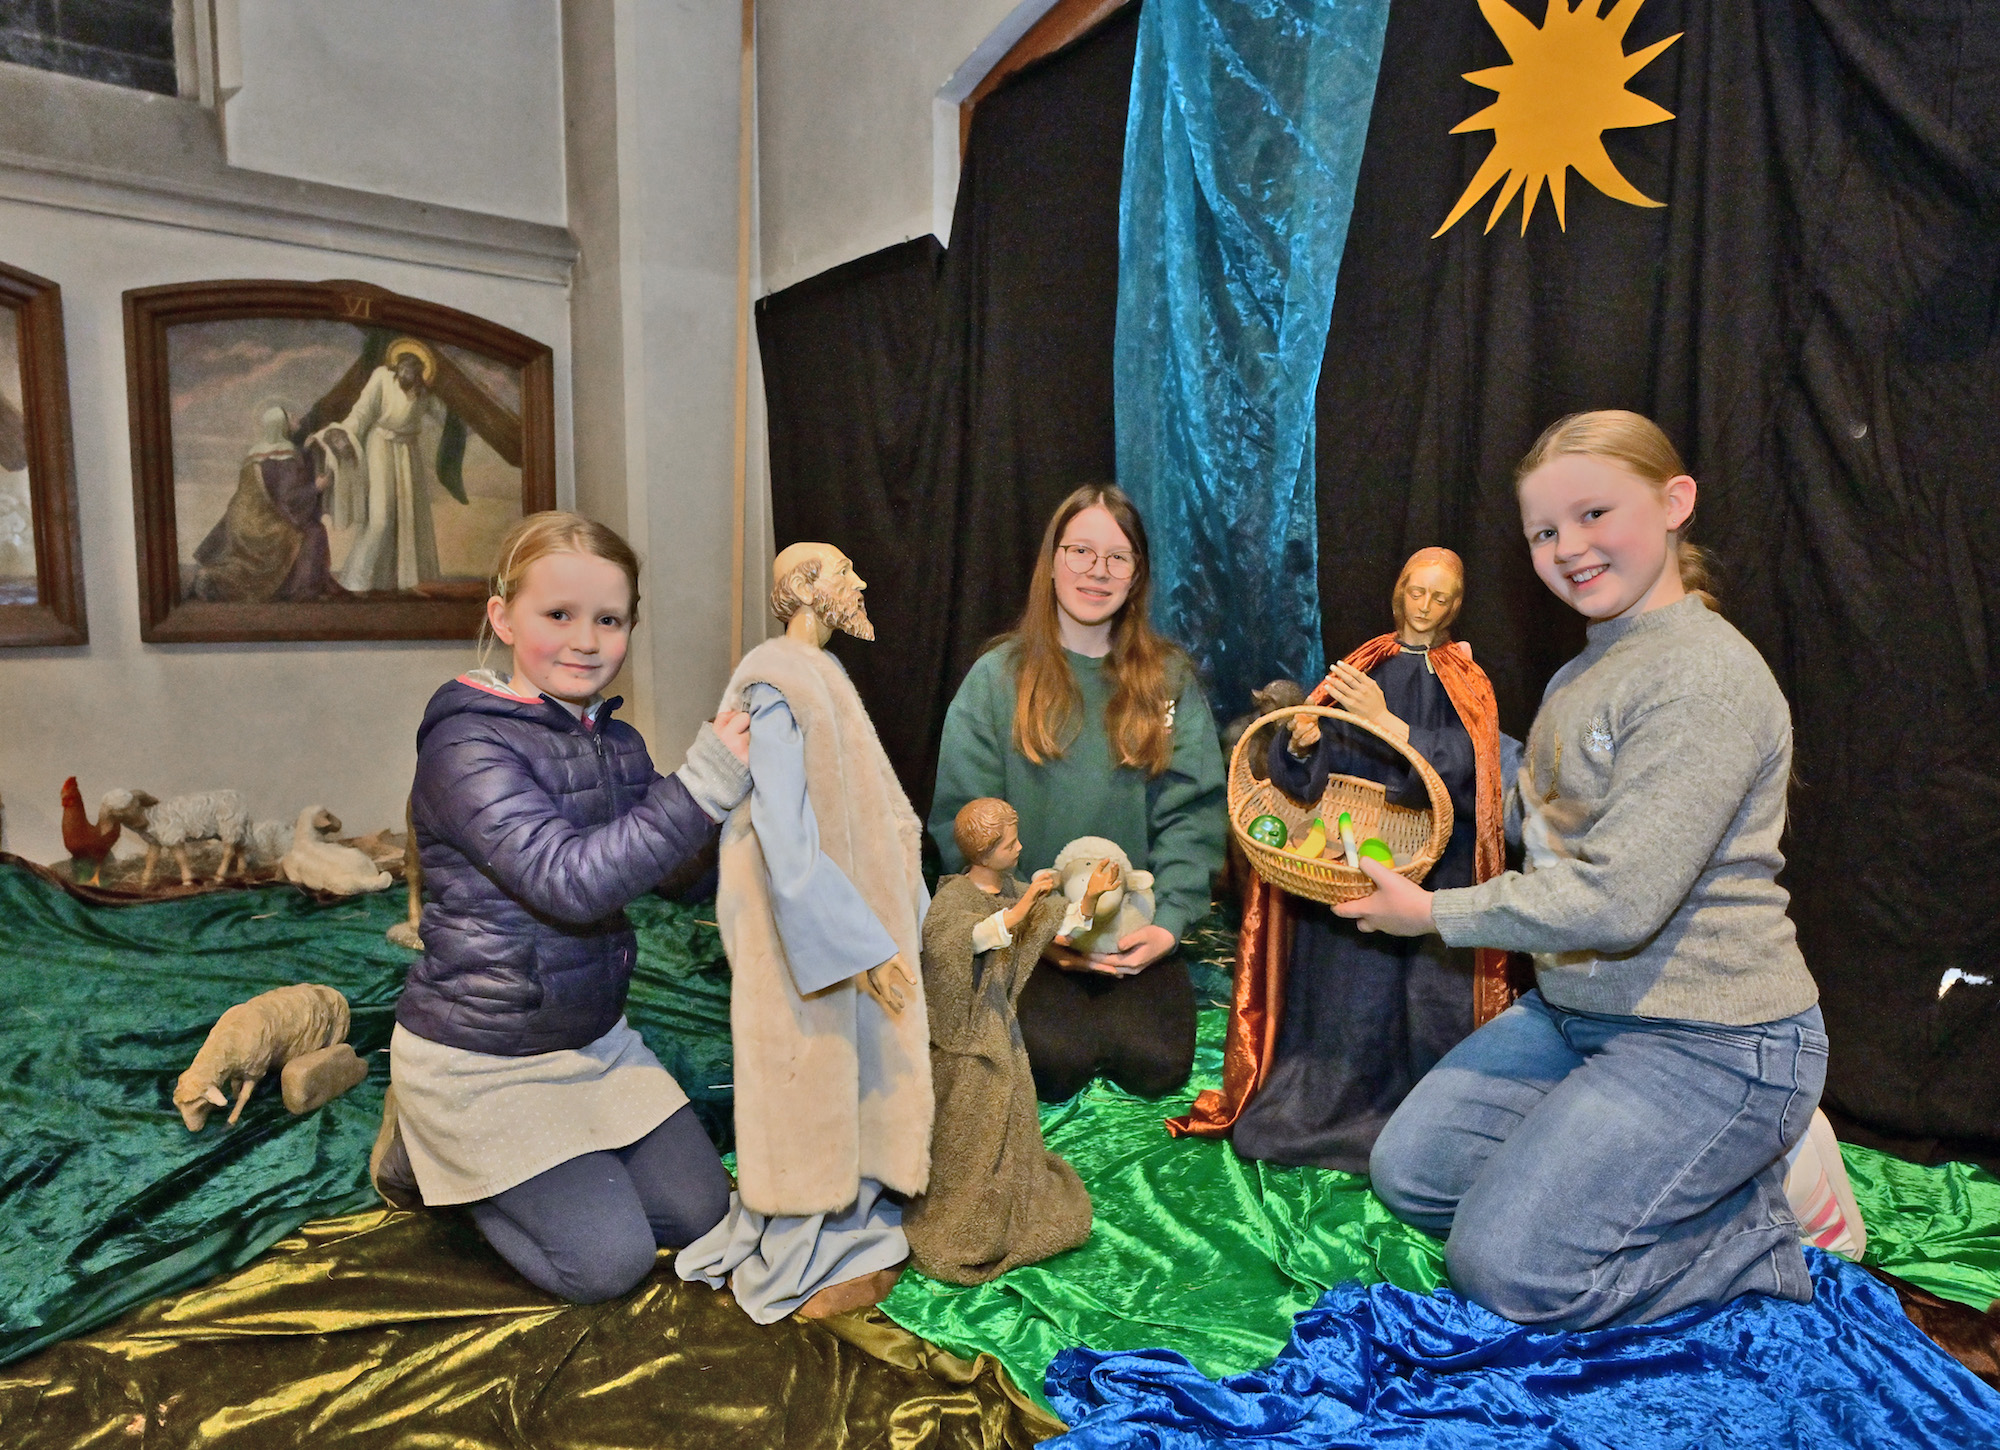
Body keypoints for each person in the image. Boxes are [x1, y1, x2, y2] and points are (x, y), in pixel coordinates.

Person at [1343, 410, 1858, 1329]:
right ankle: (1665, 1174)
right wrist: (1403, 736)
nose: (1567, 547)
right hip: (1581, 1017)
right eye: (1544, 531)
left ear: (1674, 503)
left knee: (1507, 1269)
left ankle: (1762, 1231)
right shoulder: (1586, 668)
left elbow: (1618, 897)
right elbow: (1538, 805)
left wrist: (1435, 914)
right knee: (1413, 1174)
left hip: (1714, 1042)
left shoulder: (1701, 676)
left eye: (1593, 514)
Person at [370, 510, 747, 1304]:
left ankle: (545, 1171)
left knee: (702, 1212)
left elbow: (674, 875)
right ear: (502, 617)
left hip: (589, 1039)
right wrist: (703, 785)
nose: (586, 640)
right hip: (482, 1057)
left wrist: (745, 817)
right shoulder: (465, 748)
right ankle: (434, 1156)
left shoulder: (619, 744)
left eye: (609, 620)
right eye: (558, 615)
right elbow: (569, 882)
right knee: (605, 1264)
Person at [1174, 549, 1519, 1170]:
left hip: (1429, 876)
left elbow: (1478, 772)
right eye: (1416, 591)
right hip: (1346, 860)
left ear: (1456, 607)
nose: (1425, 606)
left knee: (1419, 1012)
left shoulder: (1467, 684)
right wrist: (1302, 744)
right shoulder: (1364, 666)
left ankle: (1418, 1124)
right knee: (1342, 1006)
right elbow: (1309, 771)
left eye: (1440, 597)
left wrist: (1393, 727)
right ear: (1397, 593)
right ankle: (1324, 1106)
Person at [675, 541, 934, 1322]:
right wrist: (860, 947)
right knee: (808, 1073)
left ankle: (845, 1222)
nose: (860, 580)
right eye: (844, 570)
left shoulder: (816, 675)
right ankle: (805, 1241)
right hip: (806, 929)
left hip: (845, 915)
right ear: (806, 589)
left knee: (852, 1071)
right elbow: (785, 838)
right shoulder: (777, 680)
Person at [929, 485, 1226, 1103]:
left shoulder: (1167, 679)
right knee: (1053, 1065)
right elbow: (963, 824)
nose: (1098, 571)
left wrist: (1168, 926)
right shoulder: (995, 679)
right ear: (1053, 561)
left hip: (1130, 929)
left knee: (1158, 1065)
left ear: (1137, 574)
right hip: (1030, 932)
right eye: (1081, 551)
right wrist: (1034, 930)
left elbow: (1192, 817)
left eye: (1118, 557)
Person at [904, 798, 1093, 1284]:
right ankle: (965, 1221)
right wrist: (1026, 904)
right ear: (985, 850)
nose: (1020, 847)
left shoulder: (1011, 888)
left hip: (1001, 1031)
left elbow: (1062, 927)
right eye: (1011, 843)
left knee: (1014, 1120)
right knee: (973, 1129)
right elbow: (967, 939)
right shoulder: (953, 900)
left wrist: (1088, 898)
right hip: (967, 1043)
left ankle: (1014, 1204)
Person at [318, 338, 452, 593]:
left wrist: (459, 424)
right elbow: (362, 411)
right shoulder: (381, 377)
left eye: (412, 369)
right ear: (396, 365)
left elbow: (447, 418)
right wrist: (344, 433)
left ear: (420, 371)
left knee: (409, 516)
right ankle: (354, 581)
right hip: (380, 444)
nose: (406, 373)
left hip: (408, 451)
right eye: (403, 367)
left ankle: (404, 582)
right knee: (380, 517)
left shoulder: (424, 392)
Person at [189, 404, 344, 602]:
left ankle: (212, 576)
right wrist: (316, 487)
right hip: (266, 524)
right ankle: (300, 591)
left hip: (238, 523)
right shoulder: (286, 455)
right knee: (314, 533)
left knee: (243, 562)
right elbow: (289, 500)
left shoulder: (253, 453)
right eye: (291, 417)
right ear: (281, 426)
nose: (296, 420)